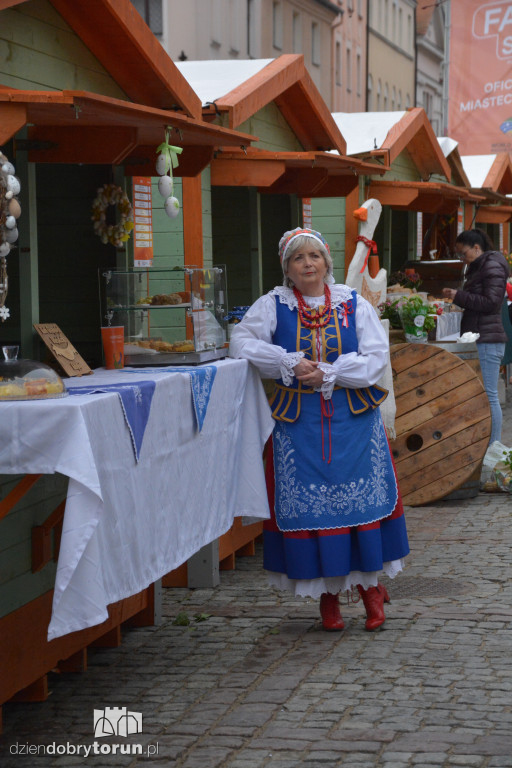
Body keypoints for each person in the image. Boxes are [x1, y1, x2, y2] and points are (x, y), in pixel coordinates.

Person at [229, 227, 409, 632]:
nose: (307, 264)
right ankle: (328, 601)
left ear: (327, 263)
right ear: (286, 267)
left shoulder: (352, 302)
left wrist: (331, 372)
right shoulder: (272, 305)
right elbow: (239, 341)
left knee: (360, 506)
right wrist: (287, 362)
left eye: (314, 256)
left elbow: (377, 356)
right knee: (315, 511)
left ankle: (371, 591)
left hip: (354, 421)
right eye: (298, 258)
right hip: (299, 426)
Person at [442, 229, 509, 445]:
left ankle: (493, 449)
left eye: (463, 253)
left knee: (489, 396)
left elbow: (491, 302)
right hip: (480, 337)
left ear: (477, 248)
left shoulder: (492, 265)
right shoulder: (479, 267)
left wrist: (459, 296)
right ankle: (484, 447)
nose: (462, 258)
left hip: (488, 340)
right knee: (482, 396)